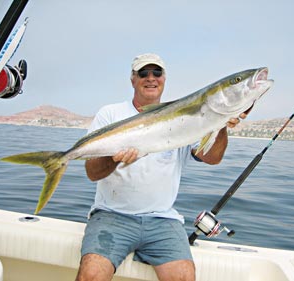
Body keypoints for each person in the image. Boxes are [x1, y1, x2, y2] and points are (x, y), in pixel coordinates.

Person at [75, 53, 249, 281]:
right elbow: (92, 173)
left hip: (162, 220)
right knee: (91, 276)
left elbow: (212, 158)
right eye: (143, 73)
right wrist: (114, 158)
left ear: (164, 78)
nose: (151, 78)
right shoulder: (110, 114)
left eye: (156, 72)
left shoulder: (187, 117)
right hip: (111, 216)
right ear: (132, 79)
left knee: (184, 277)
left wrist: (222, 124)